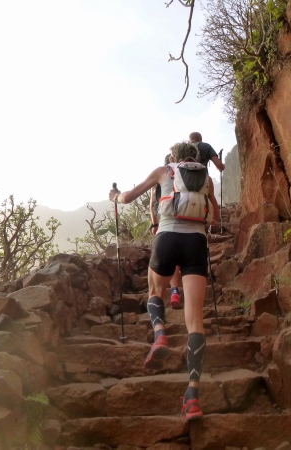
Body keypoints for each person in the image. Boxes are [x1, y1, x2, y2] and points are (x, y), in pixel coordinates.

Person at [109, 142, 220, 421]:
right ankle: (192, 397)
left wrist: (115, 196)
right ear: (194, 158)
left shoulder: (164, 171)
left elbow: (128, 197)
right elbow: (215, 217)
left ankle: (160, 334)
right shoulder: (206, 178)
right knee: (195, 320)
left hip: (166, 237)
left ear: (173, 157)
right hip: (196, 243)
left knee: (154, 290)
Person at [150, 154, 182, 309]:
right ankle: (175, 290)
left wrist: (154, 224)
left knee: (164, 262)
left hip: (164, 225)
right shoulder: (182, 177)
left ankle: (163, 299)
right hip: (183, 223)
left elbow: (152, 204)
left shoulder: (159, 179)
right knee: (178, 260)